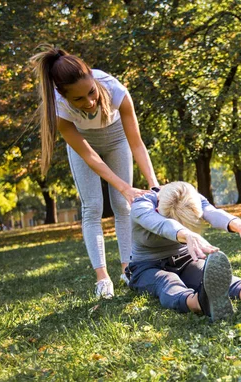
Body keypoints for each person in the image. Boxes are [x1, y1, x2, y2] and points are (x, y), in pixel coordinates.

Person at [31, 45, 159, 298]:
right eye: (78, 99)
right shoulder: (58, 109)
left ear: (92, 77)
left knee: (123, 206)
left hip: (117, 139)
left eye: (91, 92)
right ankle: (102, 278)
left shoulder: (115, 89)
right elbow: (89, 155)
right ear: (62, 94)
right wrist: (123, 185)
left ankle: (127, 269)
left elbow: (136, 142)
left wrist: (154, 185)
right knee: (92, 207)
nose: (89, 102)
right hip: (85, 144)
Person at [126, 181, 241, 321]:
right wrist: (186, 233)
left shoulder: (190, 197)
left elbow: (213, 213)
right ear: (158, 202)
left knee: (205, 271)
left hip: (186, 259)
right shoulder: (141, 205)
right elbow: (162, 225)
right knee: (167, 281)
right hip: (147, 266)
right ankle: (199, 302)